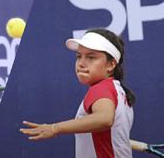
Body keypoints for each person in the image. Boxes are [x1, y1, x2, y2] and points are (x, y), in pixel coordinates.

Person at [20, 28, 135, 158]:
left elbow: (105, 119)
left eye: (91, 57)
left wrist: (55, 128)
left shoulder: (101, 89)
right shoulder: (119, 91)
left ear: (111, 64)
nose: (81, 63)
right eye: (79, 56)